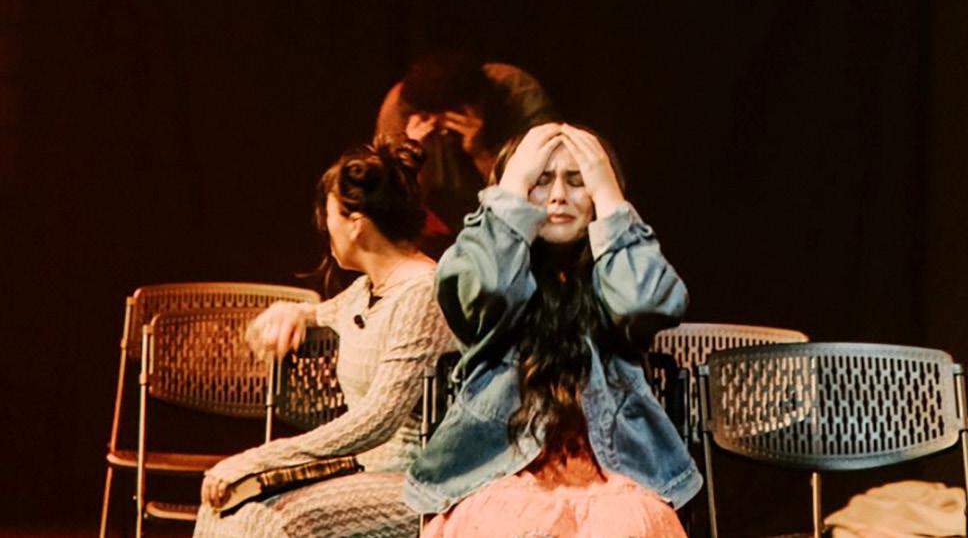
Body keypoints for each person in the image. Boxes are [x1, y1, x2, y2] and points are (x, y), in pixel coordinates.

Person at [405, 123, 701, 537]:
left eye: (578, 181)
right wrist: (512, 188)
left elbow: (645, 302)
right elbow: (488, 287)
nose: (559, 196)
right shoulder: (488, 266)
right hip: (501, 468)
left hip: (614, 473)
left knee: (627, 529)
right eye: (541, 180)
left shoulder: (615, 277)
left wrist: (610, 197)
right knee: (516, 528)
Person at [193, 139, 453, 538]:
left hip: (418, 481)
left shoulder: (422, 294)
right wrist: (294, 311)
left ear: (356, 223)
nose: (323, 226)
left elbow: (377, 421)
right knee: (222, 509)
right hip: (363, 472)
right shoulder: (366, 289)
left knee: (271, 522)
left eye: (329, 214)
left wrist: (258, 459)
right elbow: (326, 312)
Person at [375, 52, 556, 258]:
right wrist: (411, 158)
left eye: (454, 117)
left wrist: (481, 153)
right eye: (432, 119)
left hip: (521, 235)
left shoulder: (517, 93)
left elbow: (537, 197)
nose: (444, 131)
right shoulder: (400, 109)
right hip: (443, 239)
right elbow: (391, 214)